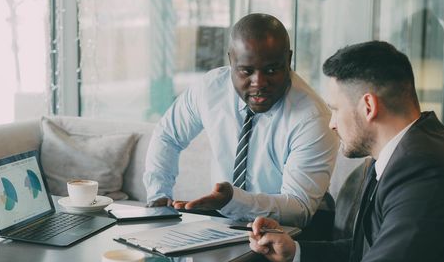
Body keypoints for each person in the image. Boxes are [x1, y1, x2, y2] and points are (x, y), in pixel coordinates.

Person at [235, 41, 444, 262]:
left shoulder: (424, 171)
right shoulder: (407, 152)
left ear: (368, 106)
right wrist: (294, 252)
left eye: (336, 109)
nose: (332, 123)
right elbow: (372, 254)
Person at [144, 13, 338, 228]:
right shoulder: (210, 89)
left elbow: (298, 209)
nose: (259, 83)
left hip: (292, 232)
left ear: (288, 59)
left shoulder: (312, 118)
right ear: (231, 61)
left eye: (271, 70)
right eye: (246, 71)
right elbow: (168, 135)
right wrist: (158, 197)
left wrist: (233, 201)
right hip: (225, 218)